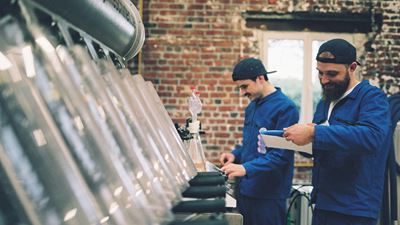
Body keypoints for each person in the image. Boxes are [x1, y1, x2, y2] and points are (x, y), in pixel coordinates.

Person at [283, 39, 391, 225]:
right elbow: (326, 144)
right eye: (320, 73)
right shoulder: (326, 101)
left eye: (332, 74)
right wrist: (299, 142)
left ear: (352, 67)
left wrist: (314, 133)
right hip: (324, 201)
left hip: (355, 208)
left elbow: (372, 137)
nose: (324, 80)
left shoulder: (372, 98)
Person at [220, 58, 299, 225]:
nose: (242, 92)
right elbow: (252, 146)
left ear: (261, 78)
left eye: (245, 86)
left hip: (269, 195)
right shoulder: (252, 107)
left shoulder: (286, 108)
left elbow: (280, 156)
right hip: (246, 191)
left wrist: (245, 168)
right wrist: (235, 155)